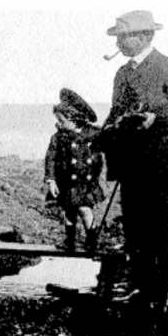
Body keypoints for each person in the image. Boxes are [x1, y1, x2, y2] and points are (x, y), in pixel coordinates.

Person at [98, 10, 168, 307]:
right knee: (135, 230)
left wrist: (156, 118)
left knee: (161, 230)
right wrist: (103, 133)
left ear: (145, 37)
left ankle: (161, 295)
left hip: (161, 166)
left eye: (123, 36)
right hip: (130, 166)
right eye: (117, 36)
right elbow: (115, 113)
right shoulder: (123, 73)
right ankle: (141, 289)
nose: (119, 41)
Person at [43, 89, 104, 252]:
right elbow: (51, 158)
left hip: (86, 183)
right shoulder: (58, 137)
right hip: (67, 183)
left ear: (73, 119)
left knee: (85, 209)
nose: (59, 124)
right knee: (68, 211)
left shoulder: (94, 134)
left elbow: (106, 150)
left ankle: (92, 239)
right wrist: (51, 179)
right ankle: (69, 241)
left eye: (61, 120)